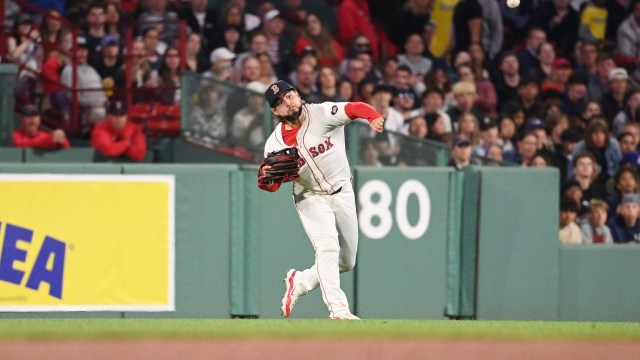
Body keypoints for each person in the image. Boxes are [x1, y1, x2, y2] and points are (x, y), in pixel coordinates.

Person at [258, 80, 384, 320]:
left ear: (297, 94)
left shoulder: (322, 114)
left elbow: (354, 107)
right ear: (275, 111)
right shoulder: (274, 144)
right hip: (310, 197)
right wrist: (266, 179)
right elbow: (270, 186)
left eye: (289, 95)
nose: (287, 102)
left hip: (342, 190)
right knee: (327, 247)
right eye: (280, 102)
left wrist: (373, 116)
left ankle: (301, 282)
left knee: (346, 262)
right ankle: (339, 310)